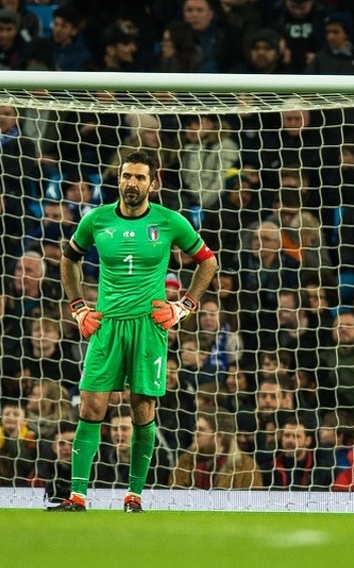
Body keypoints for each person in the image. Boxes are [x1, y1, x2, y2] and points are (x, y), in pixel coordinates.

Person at [49, 150, 217, 513]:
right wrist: (78, 308)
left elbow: (208, 261)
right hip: (107, 325)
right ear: (119, 179)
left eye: (140, 177)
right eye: (127, 176)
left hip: (148, 326)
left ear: (153, 184)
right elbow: (68, 258)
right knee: (91, 407)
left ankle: (134, 496)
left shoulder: (171, 221)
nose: (132, 183)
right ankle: (77, 496)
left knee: (142, 410)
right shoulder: (96, 220)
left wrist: (184, 306)